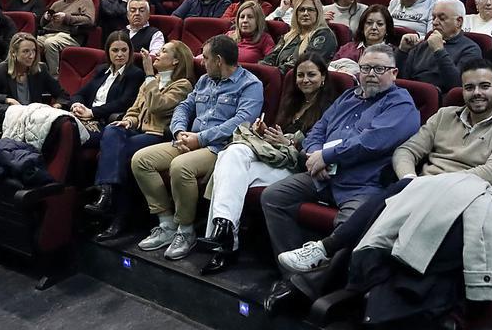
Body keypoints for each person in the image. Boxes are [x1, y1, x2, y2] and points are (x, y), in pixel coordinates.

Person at [274, 59, 492, 286]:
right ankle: (320, 282)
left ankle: (322, 259)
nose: (476, 93)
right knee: (378, 225)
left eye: (484, 86)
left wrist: (428, 185)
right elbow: (407, 151)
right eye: (469, 87)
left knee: (376, 219)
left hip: (465, 196)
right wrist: (409, 178)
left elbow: (490, 173)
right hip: (417, 189)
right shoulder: (445, 115)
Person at [260, 45, 421, 290]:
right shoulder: (348, 97)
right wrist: (315, 154)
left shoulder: (401, 105)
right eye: (366, 68)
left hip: (363, 184)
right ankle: (291, 274)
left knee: (351, 226)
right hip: (323, 175)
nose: (371, 74)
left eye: (379, 68)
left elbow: (371, 142)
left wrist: (328, 156)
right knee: (274, 196)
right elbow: (318, 130)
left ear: (394, 73)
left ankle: (310, 288)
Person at [199, 54, 341, 273]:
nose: (305, 80)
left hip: (297, 169)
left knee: (228, 170)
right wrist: (264, 132)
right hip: (275, 159)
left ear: (323, 77)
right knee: (232, 154)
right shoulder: (292, 102)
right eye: (300, 75)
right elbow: (278, 134)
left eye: (311, 75)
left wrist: (290, 142)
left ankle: (225, 243)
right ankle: (225, 232)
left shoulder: (331, 108)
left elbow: (320, 149)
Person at [130, 36, 263, 260]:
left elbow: (241, 122)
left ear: (219, 60)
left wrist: (199, 139)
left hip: (219, 148)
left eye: (207, 57)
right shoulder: (204, 81)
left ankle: (185, 230)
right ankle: (166, 224)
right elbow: (184, 106)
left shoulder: (251, 84)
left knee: (180, 167)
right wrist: (179, 131)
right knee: (141, 160)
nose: (202, 62)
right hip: (188, 140)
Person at [86, 41, 196, 239]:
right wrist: (128, 121)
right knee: (112, 130)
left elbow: (157, 106)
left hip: (158, 138)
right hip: (138, 133)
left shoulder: (182, 85)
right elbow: (135, 110)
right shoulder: (151, 80)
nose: (158, 54)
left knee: (121, 157)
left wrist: (147, 76)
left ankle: (115, 211)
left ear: (176, 60)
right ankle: (108, 192)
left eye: (164, 51)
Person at [396, 0, 482, 92]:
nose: (435, 22)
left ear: (459, 22)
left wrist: (439, 51)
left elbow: (458, 85)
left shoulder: (471, 49)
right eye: (433, 18)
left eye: (442, 18)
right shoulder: (422, 45)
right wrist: (402, 51)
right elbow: (399, 79)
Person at [70, 32, 145, 137]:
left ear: (130, 51)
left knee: (68, 132)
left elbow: (123, 103)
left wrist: (92, 112)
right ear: (108, 52)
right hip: (85, 116)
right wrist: (77, 106)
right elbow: (80, 94)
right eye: (115, 50)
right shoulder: (102, 69)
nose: (120, 54)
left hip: (104, 122)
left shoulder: (135, 74)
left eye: (124, 50)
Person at [0, 32, 69, 107]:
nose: (32, 56)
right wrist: (7, 100)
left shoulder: (41, 69)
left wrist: (57, 106)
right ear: (13, 53)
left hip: (33, 118)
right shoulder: (1, 70)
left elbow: (62, 94)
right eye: (26, 51)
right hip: (10, 118)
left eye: (34, 51)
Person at [36, 0, 97, 73]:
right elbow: (42, 24)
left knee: (50, 43)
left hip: (71, 36)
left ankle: (54, 77)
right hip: (50, 33)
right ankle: (37, 73)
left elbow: (89, 20)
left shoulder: (86, 1)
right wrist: (46, 18)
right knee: (31, 42)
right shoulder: (57, 4)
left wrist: (66, 18)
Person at [262, 0, 337, 71]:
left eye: (310, 10)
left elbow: (307, 64)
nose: (305, 13)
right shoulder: (289, 36)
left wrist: (275, 73)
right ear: (296, 14)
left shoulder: (324, 35)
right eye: (301, 10)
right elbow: (271, 58)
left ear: (318, 13)